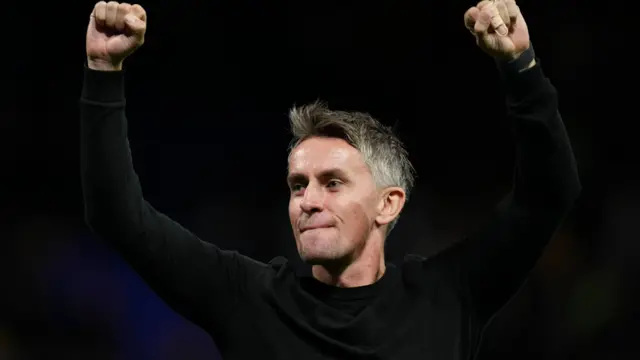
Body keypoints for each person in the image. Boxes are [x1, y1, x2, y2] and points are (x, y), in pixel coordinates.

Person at [80, 0, 581, 359]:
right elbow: (118, 216)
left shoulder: (449, 294)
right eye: (299, 185)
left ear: (389, 204)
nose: (308, 201)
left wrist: (521, 66)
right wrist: (103, 72)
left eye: (332, 182)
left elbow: (550, 192)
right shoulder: (248, 297)